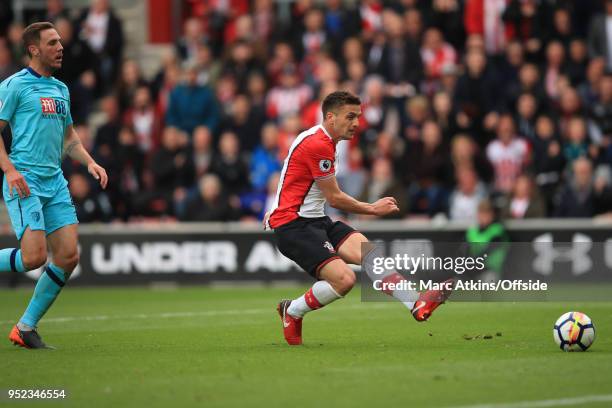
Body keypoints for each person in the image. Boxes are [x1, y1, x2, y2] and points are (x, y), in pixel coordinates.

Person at [264, 91, 450, 346]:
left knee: (368, 254)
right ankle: (293, 311)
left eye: (358, 117)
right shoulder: (318, 144)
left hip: (315, 220)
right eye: (350, 117)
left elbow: (291, 175)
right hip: (294, 226)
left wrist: (276, 205)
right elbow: (334, 198)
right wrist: (373, 209)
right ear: (330, 117)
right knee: (345, 280)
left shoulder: (324, 141)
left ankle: (416, 304)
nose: (356, 123)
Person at [0, 22, 108, 349]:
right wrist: (8, 170)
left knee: (68, 256)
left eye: (60, 41)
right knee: (33, 258)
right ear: (33, 49)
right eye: (52, 43)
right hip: (26, 182)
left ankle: (25, 327)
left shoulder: (61, 89)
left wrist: (89, 161)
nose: (60, 47)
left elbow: (69, 138)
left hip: (55, 182)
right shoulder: (14, 86)